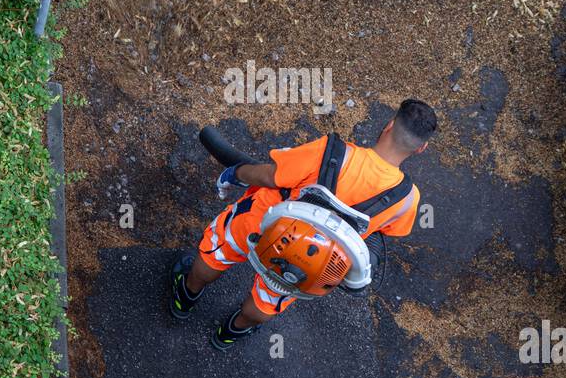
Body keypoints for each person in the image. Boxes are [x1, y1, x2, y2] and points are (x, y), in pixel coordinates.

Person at [170, 99, 437, 350]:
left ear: (389, 125)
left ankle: (185, 297)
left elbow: (272, 176)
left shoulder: (332, 152)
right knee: (271, 295)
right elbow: (384, 232)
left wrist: (235, 173)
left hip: (263, 222)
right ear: (421, 148)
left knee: (219, 251)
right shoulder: (407, 200)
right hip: (311, 262)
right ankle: (230, 333)